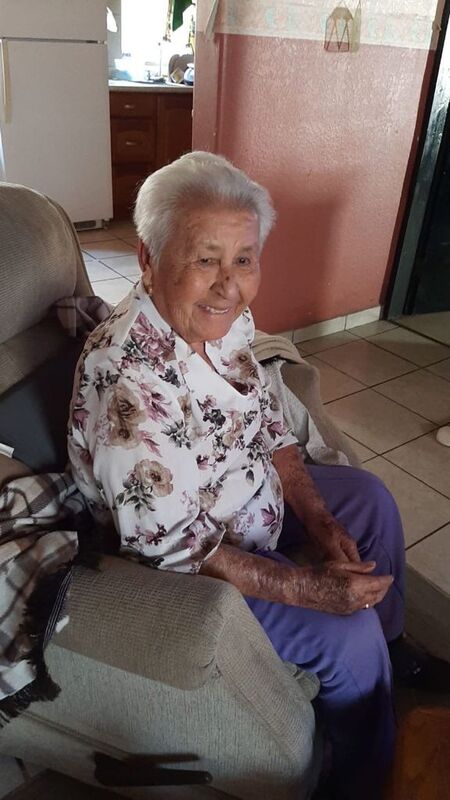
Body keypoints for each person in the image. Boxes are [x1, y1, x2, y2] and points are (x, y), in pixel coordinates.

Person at [68, 152, 443, 799]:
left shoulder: (226, 319)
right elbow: (171, 547)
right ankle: (361, 774)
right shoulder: (125, 384)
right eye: (205, 259)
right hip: (185, 564)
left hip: (246, 499)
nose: (229, 285)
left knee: (370, 501)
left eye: (244, 259)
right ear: (148, 259)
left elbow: (267, 422)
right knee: (344, 632)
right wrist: (307, 587)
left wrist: (319, 519)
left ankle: (393, 646)